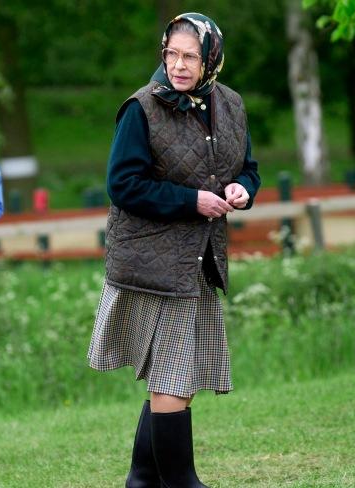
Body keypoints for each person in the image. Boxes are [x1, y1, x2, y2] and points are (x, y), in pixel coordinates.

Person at [87, 12, 260, 488]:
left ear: (212, 60)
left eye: (191, 56)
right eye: (172, 54)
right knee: (174, 382)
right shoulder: (141, 109)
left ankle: (143, 478)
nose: (179, 65)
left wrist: (244, 188)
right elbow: (122, 185)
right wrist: (192, 201)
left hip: (199, 263)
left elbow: (248, 167)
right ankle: (182, 481)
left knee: (173, 377)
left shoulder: (230, 105)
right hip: (150, 264)